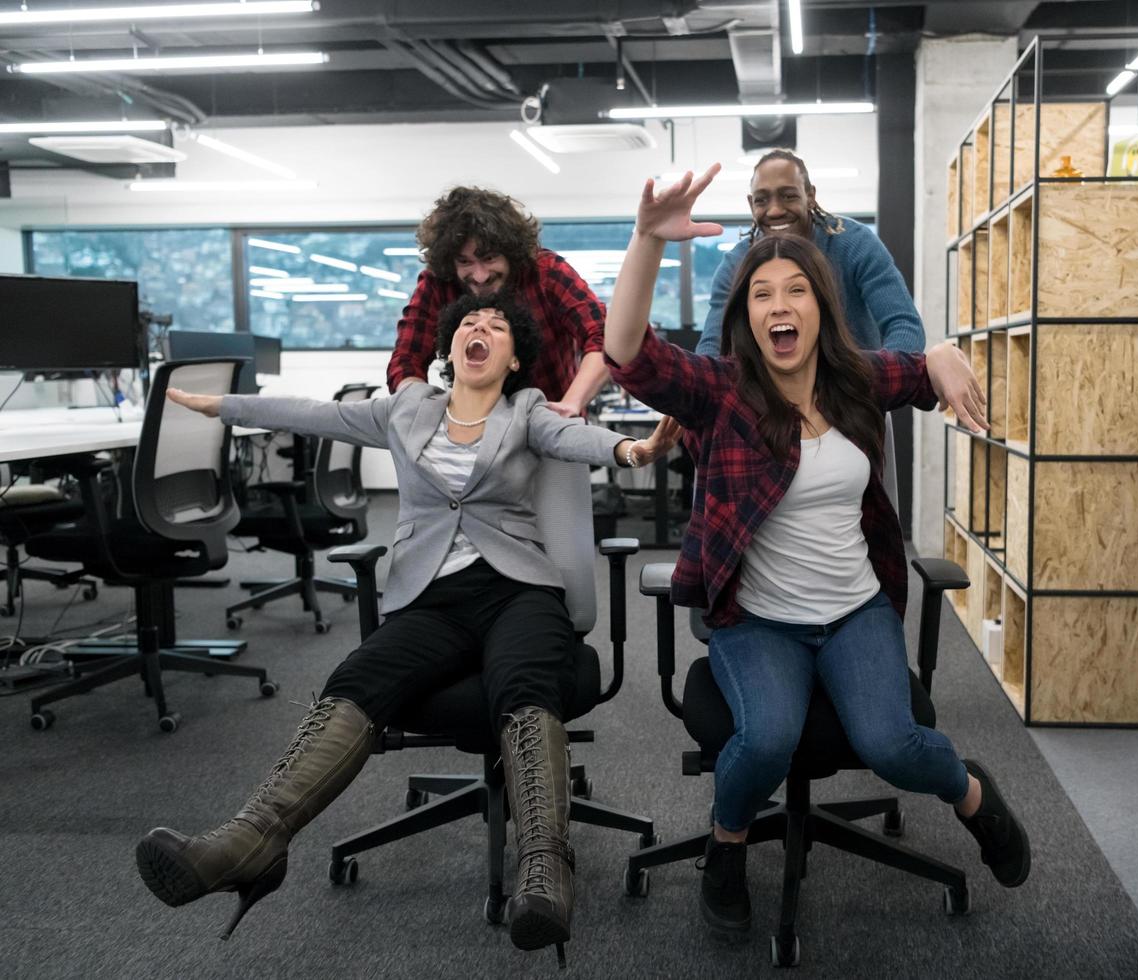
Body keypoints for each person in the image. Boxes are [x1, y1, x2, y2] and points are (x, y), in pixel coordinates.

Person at [135, 292, 679, 960]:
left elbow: (577, 438)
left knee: (522, 678)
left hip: (517, 588)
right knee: (358, 675)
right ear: (451, 349)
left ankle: (545, 871)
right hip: (431, 596)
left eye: (497, 325)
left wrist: (633, 450)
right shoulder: (407, 407)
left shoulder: (527, 411)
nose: (480, 329)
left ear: (512, 359)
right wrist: (222, 407)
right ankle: (251, 843)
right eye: (468, 325)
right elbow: (313, 414)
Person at [603, 165, 1028, 934]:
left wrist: (944, 355)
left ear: (819, 306)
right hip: (757, 619)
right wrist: (645, 242)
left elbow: (922, 368)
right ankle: (727, 844)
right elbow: (629, 354)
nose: (779, 305)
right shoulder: (721, 390)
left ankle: (971, 793)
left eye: (794, 290)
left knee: (894, 745)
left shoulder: (854, 380)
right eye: (762, 295)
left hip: (855, 609)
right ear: (747, 316)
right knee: (764, 739)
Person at [388, 185, 609, 418]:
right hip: (474, 432)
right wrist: (419, 413)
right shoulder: (438, 284)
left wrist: (571, 404)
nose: (480, 276)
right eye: (465, 262)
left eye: (489, 258)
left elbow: (604, 338)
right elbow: (406, 360)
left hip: (554, 424)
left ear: (511, 252)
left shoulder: (546, 274)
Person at [696, 148, 925, 356]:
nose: (774, 210)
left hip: (855, 391)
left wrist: (871, 384)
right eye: (762, 200)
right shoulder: (735, 265)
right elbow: (712, 347)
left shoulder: (855, 244)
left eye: (789, 196)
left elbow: (904, 325)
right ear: (750, 204)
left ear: (810, 196)